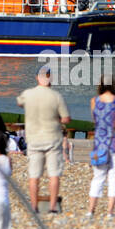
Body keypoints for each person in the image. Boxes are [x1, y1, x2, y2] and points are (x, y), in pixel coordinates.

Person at [18, 64, 70, 214]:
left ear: (36, 78)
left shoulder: (28, 94)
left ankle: (34, 206)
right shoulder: (56, 96)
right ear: (50, 78)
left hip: (34, 138)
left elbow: (19, 102)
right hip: (52, 138)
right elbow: (66, 118)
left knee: (34, 175)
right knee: (54, 174)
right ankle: (53, 207)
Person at [87, 82, 115, 218]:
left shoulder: (94, 101)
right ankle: (110, 212)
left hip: (100, 143)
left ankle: (91, 211)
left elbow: (95, 120)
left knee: (98, 177)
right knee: (114, 177)